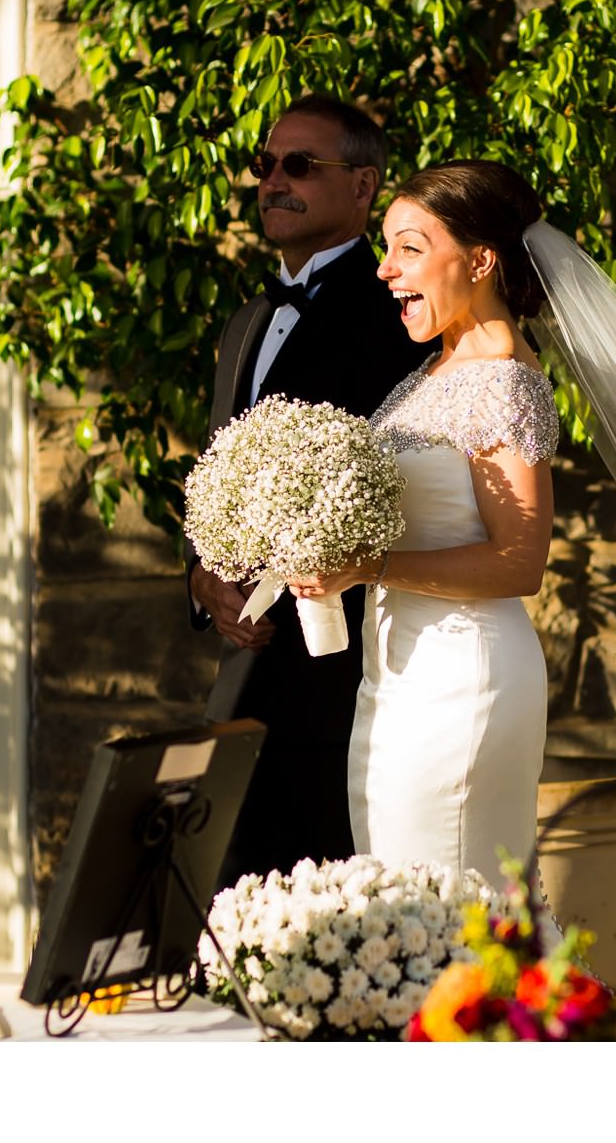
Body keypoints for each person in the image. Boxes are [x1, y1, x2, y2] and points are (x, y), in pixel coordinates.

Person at [286, 160, 560, 891]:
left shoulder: (504, 381)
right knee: (399, 903)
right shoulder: (429, 375)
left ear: (479, 259)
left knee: (444, 907)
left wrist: (368, 567)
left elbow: (519, 563)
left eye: (408, 247)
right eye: (386, 248)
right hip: (395, 672)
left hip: (461, 681)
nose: (384, 270)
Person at [190, 95, 428, 890]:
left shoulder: (401, 319)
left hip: (346, 682)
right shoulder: (245, 322)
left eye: (300, 165)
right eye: (265, 165)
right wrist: (200, 580)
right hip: (242, 687)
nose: (273, 181)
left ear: (364, 187)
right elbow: (211, 482)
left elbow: (416, 489)